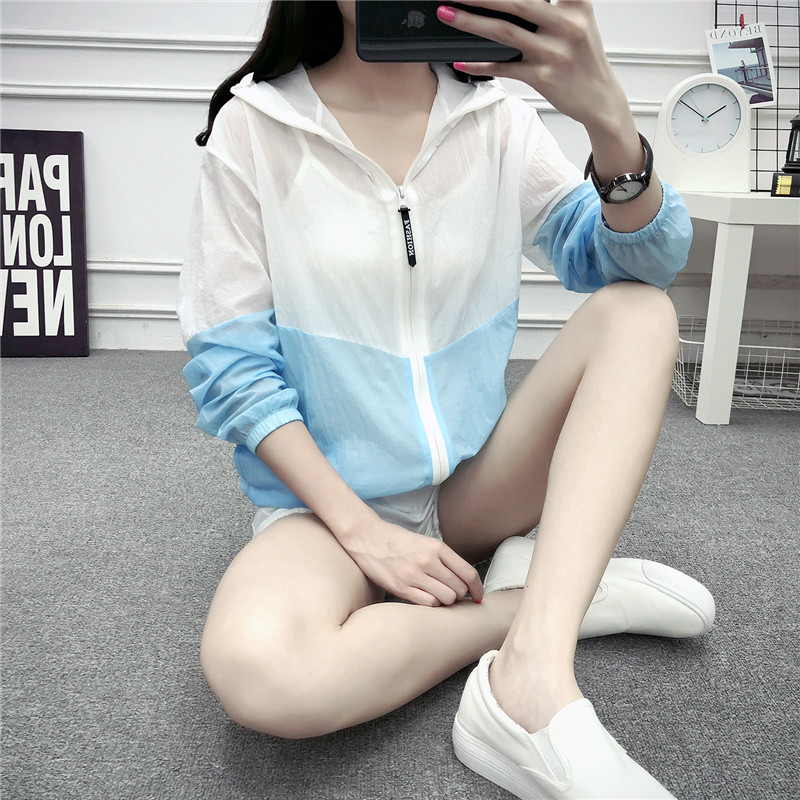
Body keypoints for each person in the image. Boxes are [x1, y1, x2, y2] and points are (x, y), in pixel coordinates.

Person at [178, 1, 715, 797]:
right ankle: (541, 602)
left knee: (639, 315)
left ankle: (530, 675)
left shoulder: (494, 118)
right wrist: (364, 533)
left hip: (476, 486)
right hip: (327, 513)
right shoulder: (255, 128)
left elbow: (635, 264)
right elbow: (234, 373)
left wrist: (608, 121)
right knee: (262, 673)